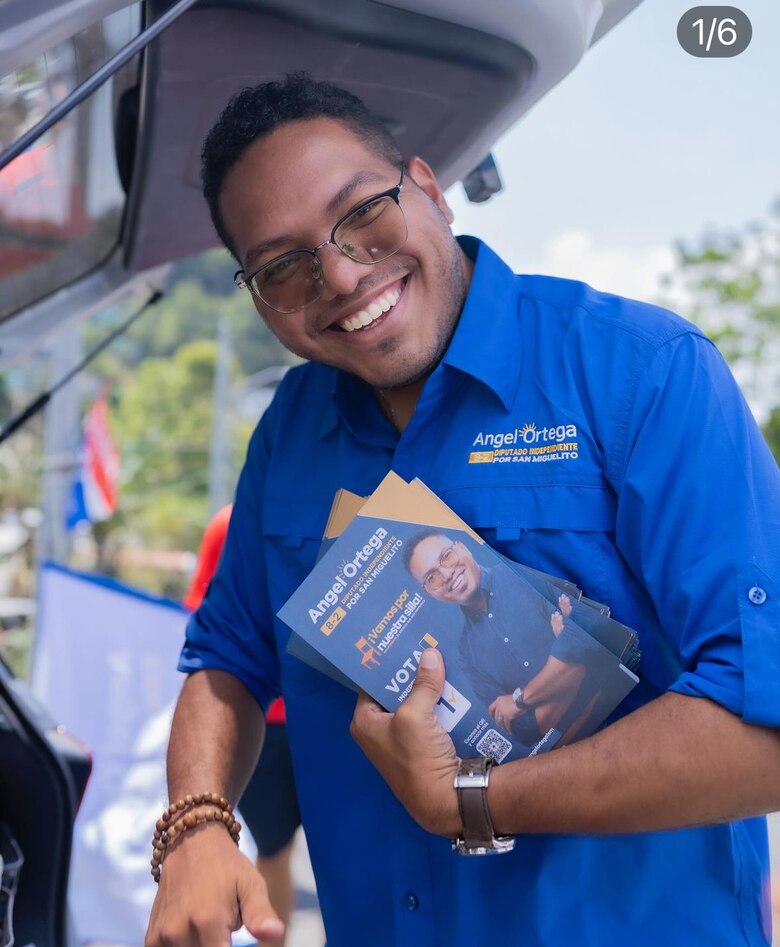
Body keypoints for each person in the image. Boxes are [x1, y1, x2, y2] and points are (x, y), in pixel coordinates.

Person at [146, 73, 780, 947]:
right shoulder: (289, 432)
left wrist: (470, 800)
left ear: (429, 188)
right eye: (284, 267)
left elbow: (764, 728)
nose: (339, 273)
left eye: (362, 213)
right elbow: (226, 657)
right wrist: (196, 822)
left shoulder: (642, 374)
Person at [183, 504, 302, 946]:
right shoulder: (232, 523)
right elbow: (210, 622)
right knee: (272, 853)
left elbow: (198, 611)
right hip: (263, 724)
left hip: (325, 722)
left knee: (342, 861)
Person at [403, 529, 593, 743]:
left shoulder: (522, 569)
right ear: (430, 593)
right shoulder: (467, 653)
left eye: (446, 556)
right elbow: (527, 731)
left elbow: (590, 634)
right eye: (432, 578)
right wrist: (573, 664)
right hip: (574, 746)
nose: (447, 575)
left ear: (462, 546)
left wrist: (518, 702)